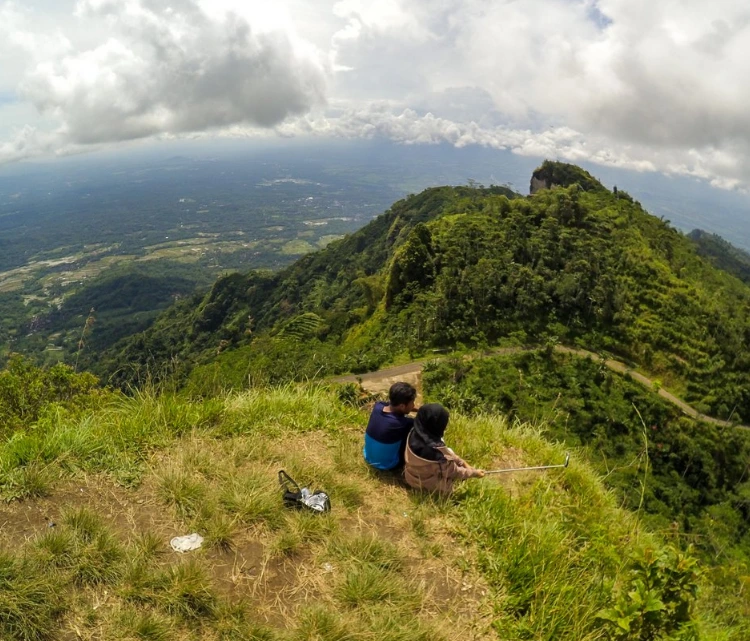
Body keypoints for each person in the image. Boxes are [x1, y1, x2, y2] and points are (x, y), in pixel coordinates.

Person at [404, 403, 484, 494]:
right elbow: (454, 472)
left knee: (448, 451)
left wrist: (462, 462)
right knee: (456, 486)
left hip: (410, 475)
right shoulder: (437, 454)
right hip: (423, 484)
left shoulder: (414, 431)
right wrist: (474, 473)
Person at [363, 382, 417, 471]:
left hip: (368, 457)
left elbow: (393, 406)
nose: (414, 405)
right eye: (412, 403)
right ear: (402, 406)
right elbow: (421, 422)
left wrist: (418, 409)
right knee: (414, 433)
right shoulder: (402, 423)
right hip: (388, 465)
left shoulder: (378, 406)